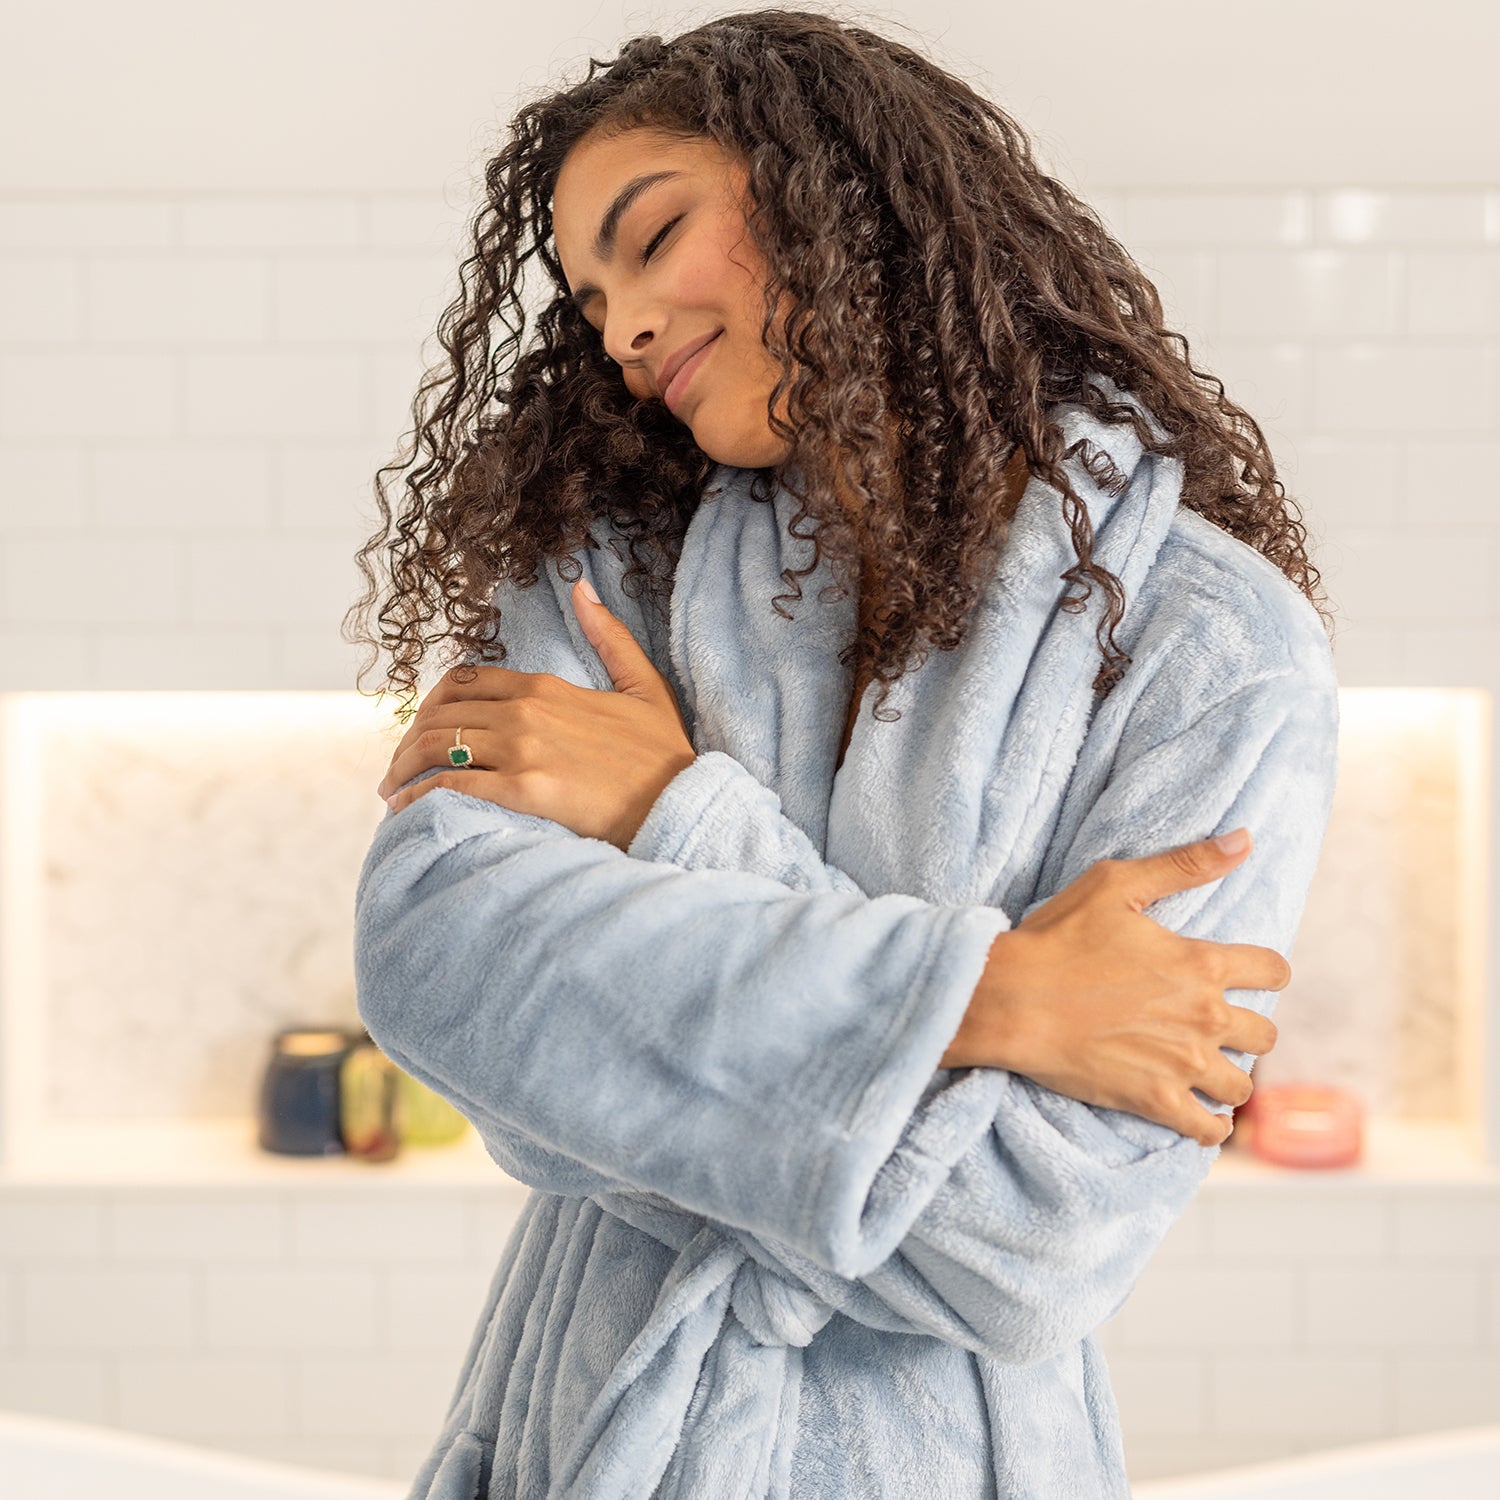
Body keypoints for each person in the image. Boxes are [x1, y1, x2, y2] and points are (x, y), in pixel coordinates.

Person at [344, 10, 1338, 1497]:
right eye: (589, 294)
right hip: (586, 1424)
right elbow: (442, 959)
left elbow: (1034, 1242)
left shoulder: (1213, 652)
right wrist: (991, 996)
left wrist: (673, 829)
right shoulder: (608, 572)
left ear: (841, 194)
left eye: (652, 234)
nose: (617, 330)